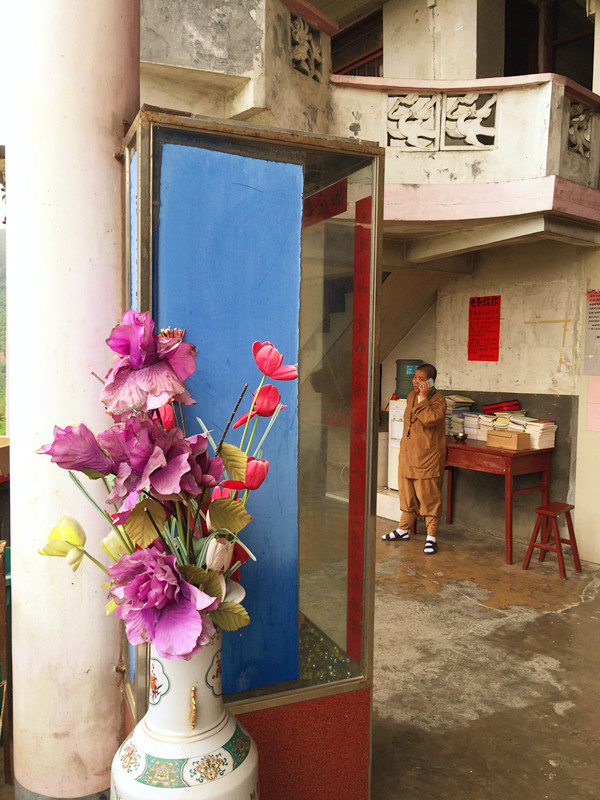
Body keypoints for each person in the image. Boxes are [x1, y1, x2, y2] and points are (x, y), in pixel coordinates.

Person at [382, 364, 447, 554]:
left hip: (427, 457)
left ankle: (431, 537)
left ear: (430, 382)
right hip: (408, 454)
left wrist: (424, 399)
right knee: (407, 493)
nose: (416, 381)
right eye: (415, 377)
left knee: (428, 496)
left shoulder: (438, 400)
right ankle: (403, 529)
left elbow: (430, 420)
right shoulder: (411, 396)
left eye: (421, 379)